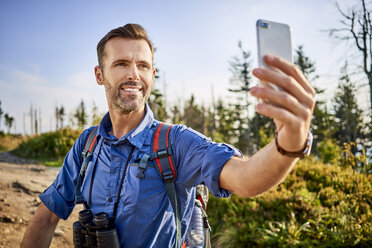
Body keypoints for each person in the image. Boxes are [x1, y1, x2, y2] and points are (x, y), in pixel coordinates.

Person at [21, 23, 314, 248]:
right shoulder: (87, 145)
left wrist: (289, 143)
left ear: (152, 74)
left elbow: (246, 178)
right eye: (121, 64)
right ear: (100, 74)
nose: (134, 74)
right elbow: (47, 216)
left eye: (143, 66)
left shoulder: (176, 142)